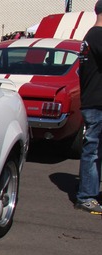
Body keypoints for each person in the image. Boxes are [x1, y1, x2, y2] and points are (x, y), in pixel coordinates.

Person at [76, 0, 102, 214]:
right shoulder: (98, 36)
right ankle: (86, 196)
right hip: (96, 103)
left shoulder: (88, 36)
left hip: (92, 101)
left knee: (95, 150)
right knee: (92, 150)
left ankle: (89, 192)